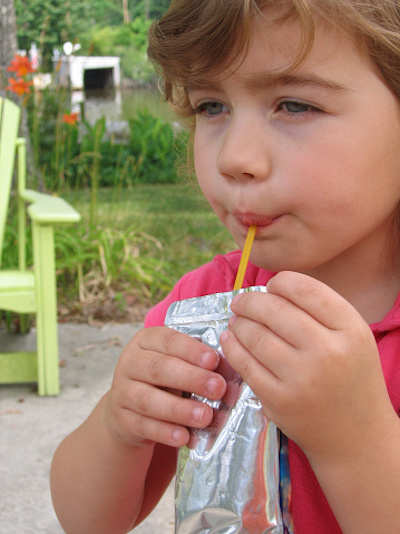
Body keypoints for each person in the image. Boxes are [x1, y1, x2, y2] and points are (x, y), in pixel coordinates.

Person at [50, 1, 400, 532]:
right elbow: (87, 520)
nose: (233, 156)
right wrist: (118, 424)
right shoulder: (205, 302)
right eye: (211, 107)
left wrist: (354, 440)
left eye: (296, 105)